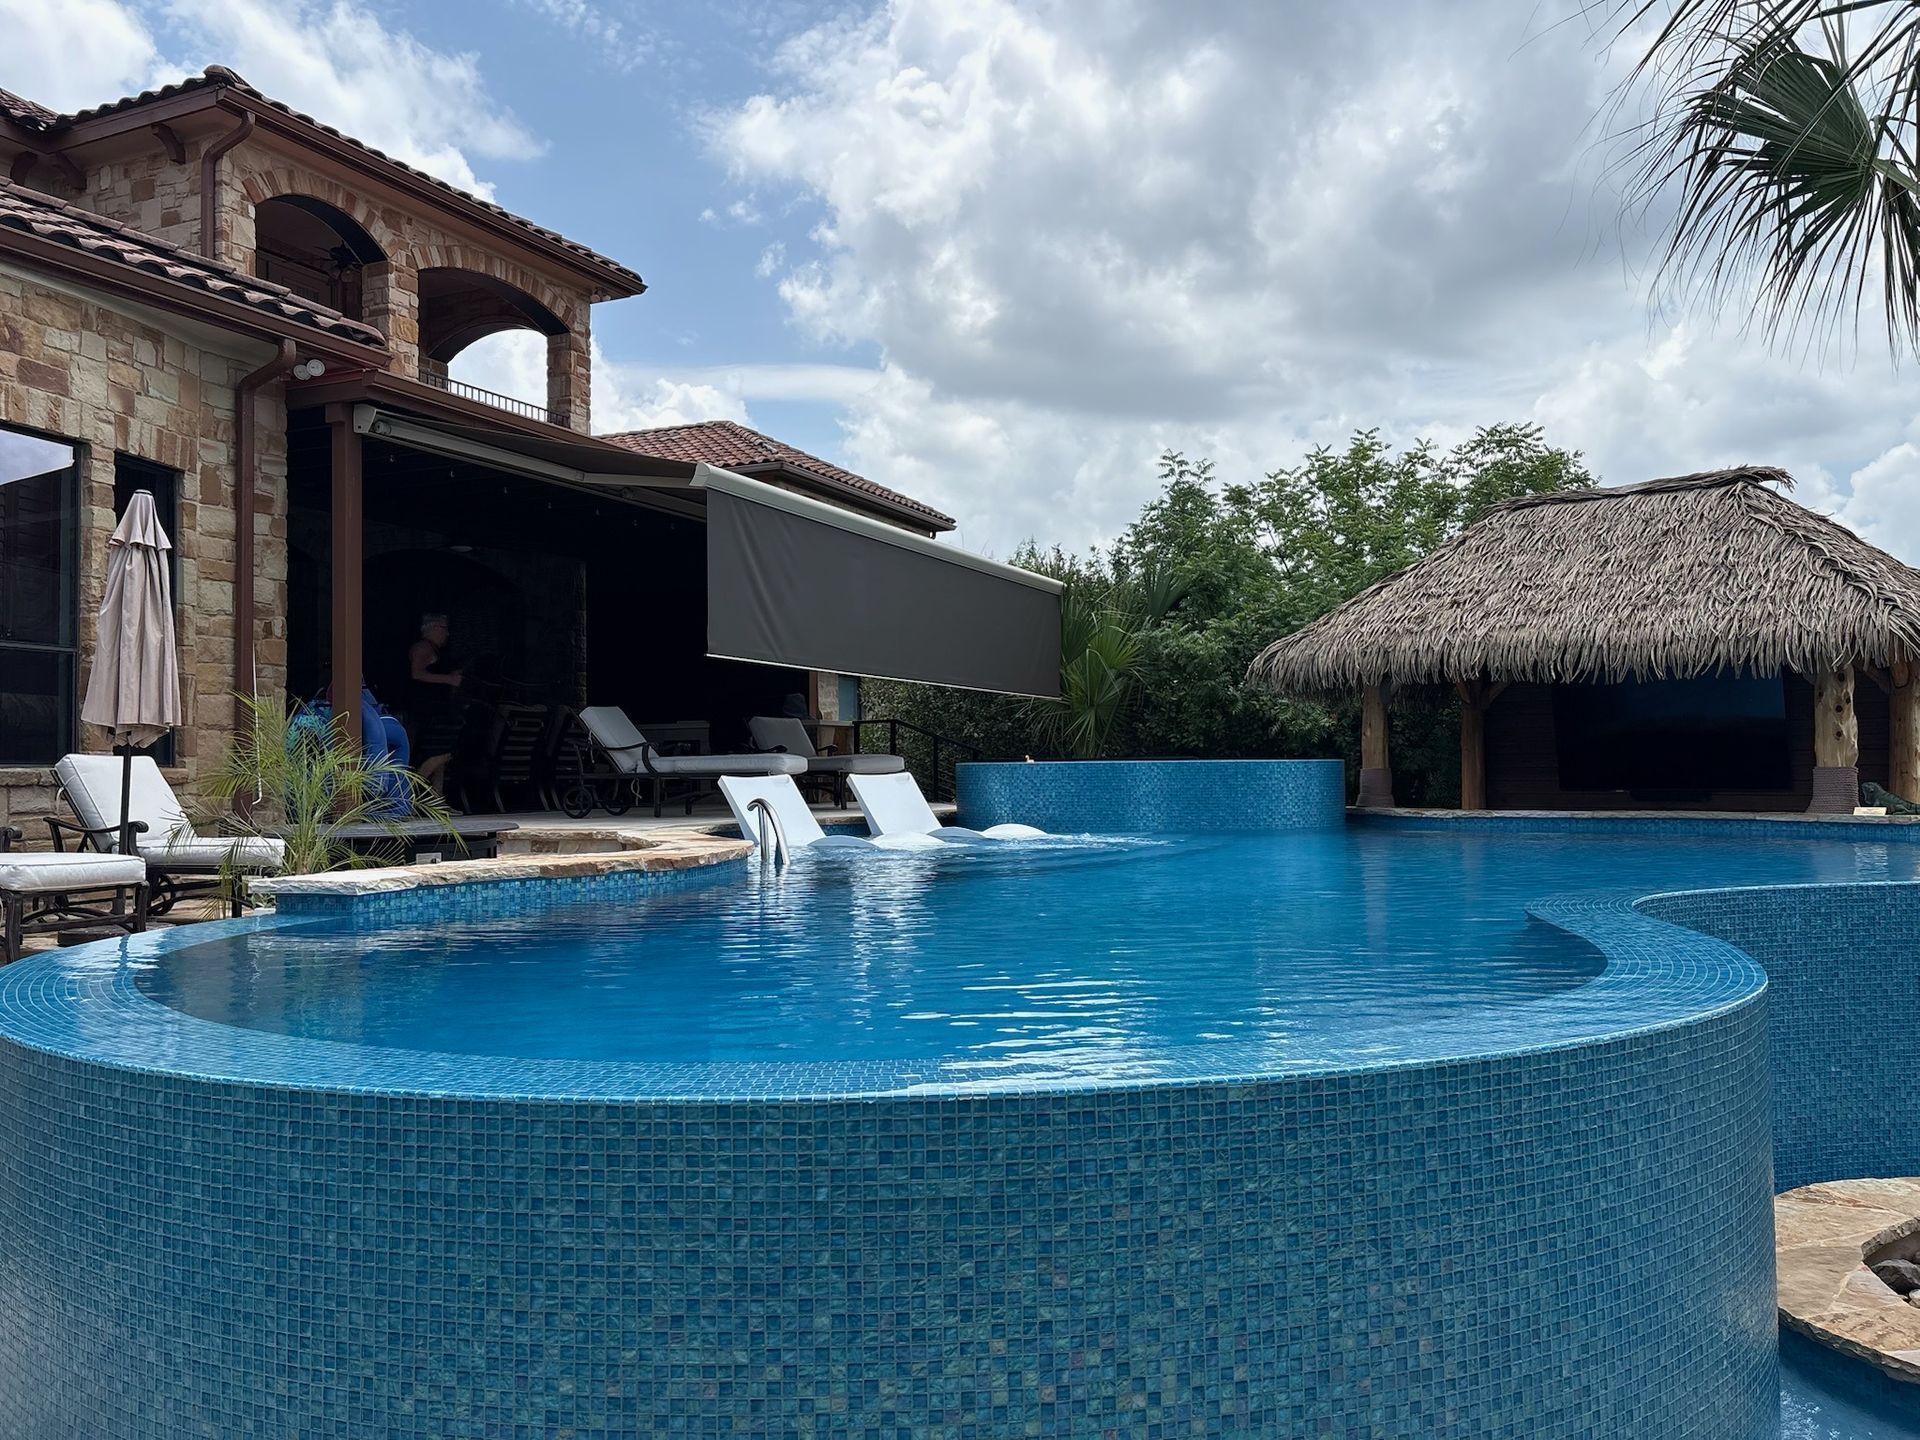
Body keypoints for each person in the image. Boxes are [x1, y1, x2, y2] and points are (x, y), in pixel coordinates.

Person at [407, 613, 464, 795]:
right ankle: (409, 796)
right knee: (442, 753)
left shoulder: (438, 651)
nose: (447, 634)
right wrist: (449, 679)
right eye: (444, 628)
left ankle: (437, 802)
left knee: (441, 757)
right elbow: (417, 673)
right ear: (432, 628)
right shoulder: (423, 647)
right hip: (428, 712)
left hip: (440, 710)